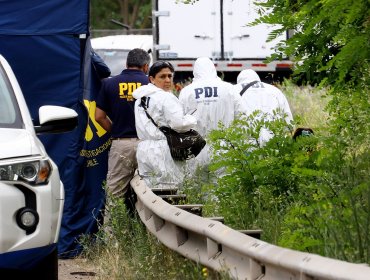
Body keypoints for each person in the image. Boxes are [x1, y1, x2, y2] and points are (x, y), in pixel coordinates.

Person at [95, 48, 150, 207]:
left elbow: (99, 116)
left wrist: (116, 131)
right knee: (148, 193)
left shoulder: (109, 83)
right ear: (146, 67)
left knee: (115, 194)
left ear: (127, 63)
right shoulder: (151, 84)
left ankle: (113, 232)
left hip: (121, 144)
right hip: (148, 145)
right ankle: (145, 231)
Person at [132, 61, 197, 188]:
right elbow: (178, 124)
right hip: (164, 149)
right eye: (162, 76)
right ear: (152, 79)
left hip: (144, 149)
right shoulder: (166, 98)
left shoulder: (140, 98)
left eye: (169, 76)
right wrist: (192, 119)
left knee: (150, 189)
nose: (167, 80)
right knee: (170, 188)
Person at [178, 57, 245, 171]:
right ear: (213, 69)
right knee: (224, 184)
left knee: (197, 185)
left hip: (196, 148)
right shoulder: (229, 88)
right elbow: (242, 116)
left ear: (195, 71)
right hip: (225, 146)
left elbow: (180, 122)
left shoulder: (187, 91)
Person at [233, 69, 293, 146]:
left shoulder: (233, 91)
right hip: (272, 143)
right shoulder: (275, 91)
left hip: (244, 145)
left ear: (239, 81)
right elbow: (288, 123)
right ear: (258, 79)